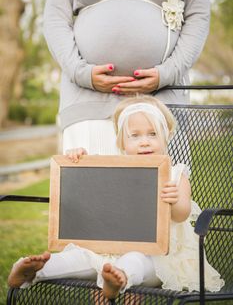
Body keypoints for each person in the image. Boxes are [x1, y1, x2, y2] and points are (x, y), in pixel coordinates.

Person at [8, 96, 224, 299]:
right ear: (122, 143)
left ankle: (118, 279)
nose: (145, 142)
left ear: (166, 136)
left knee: (135, 261)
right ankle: (35, 270)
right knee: (76, 258)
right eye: (135, 135)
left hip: (158, 256)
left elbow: (182, 214)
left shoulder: (176, 174)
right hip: (106, 250)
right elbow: (87, 187)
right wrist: (78, 159)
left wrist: (175, 199)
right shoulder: (114, 170)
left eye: (152, 134)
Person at [43, 0, 216, 154]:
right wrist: (81, 72)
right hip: (88, 101)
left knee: (167, 184)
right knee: (90, 182)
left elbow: (198, 18)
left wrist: (167, 73)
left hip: (162, 101)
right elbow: (55, 15)